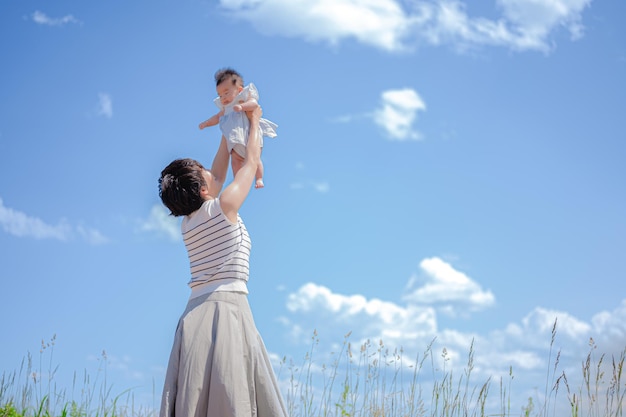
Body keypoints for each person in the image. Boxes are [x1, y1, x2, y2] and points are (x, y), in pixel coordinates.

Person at [158, 106, 288, 417]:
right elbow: (252, 161)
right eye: (205, 172)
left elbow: (217, 174)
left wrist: (228, 125)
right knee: (233, 395)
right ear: (203, 190)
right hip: (226, 308)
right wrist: (254, 119)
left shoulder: (188, 223)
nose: (212, 173)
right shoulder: (224, 207)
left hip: (195, 315)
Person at [199, 67, 277, 189]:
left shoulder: (243, 97)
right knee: (235, 162)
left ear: (239, 90)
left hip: (249, 136)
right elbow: (217, 117)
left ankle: (259, 178)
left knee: (255, 159)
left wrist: (242, 107)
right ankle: (238, 181)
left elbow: (254, 104)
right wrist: (206, 123)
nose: (223, 98)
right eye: (220, 95)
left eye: (226, 93)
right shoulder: (226, 108)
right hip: (235, 141)